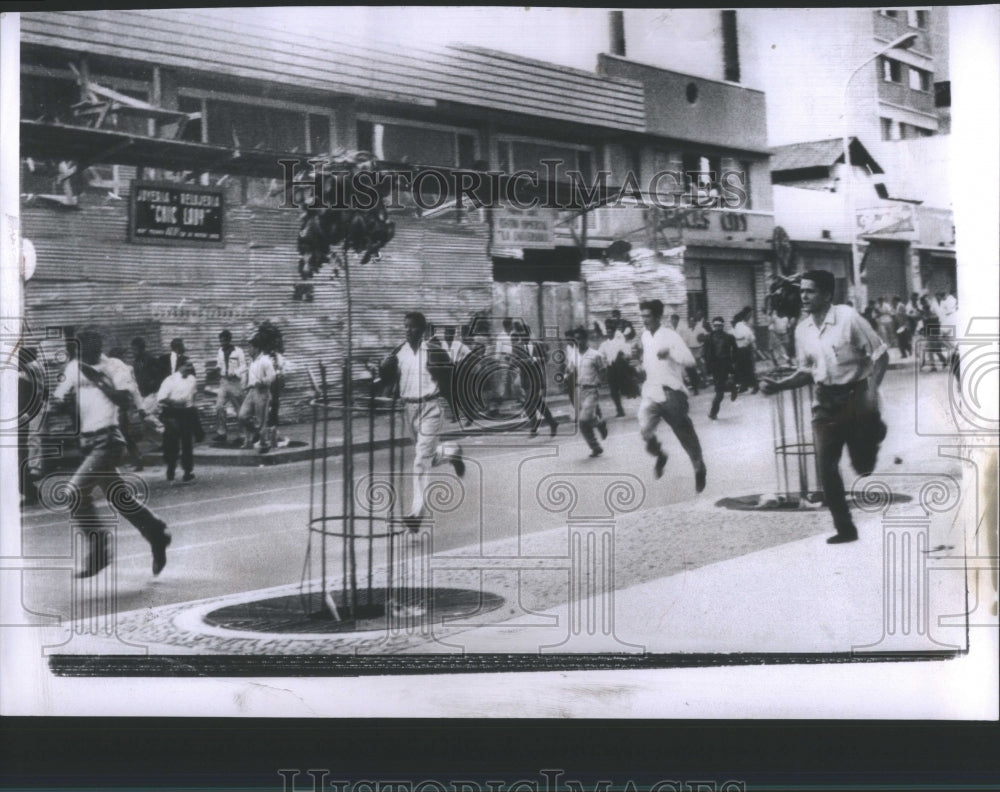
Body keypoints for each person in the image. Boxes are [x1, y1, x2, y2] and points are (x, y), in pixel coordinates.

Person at [760, 270, 888, 545]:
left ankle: (874, 433)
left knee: (863, 465)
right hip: (825, 402)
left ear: (827, 295)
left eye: (810, 291)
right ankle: (845, 528)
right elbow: (806, 371)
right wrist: (779, 385)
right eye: (802, 291)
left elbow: (880, 355)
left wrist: (872, 392)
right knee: (826, 466)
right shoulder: (803, 330)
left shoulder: (848, 319)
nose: (803, 296)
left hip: (856, 395)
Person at [51, 329, 171, 578]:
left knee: (74, 493)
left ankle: (100, 551)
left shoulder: (115, 367)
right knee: (120, 498)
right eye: (82, 347)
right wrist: (59, 405)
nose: (87, 351)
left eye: (93, 346)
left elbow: (124, 400)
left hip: (109, 440)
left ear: (100, 346)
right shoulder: (74, 367)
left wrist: (97, 379)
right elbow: (58, 399)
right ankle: (157, 533)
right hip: (88, 443)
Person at [378, 311, 465, 531]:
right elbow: (387, 377)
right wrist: (382, 373)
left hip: (430, 408)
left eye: (412, 327)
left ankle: (416, 514)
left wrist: (456, 407)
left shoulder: (434, 352)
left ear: (423, 330)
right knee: (428, 457)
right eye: (405, 326)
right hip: (408, 410)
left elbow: (450, 380)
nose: (408, 330)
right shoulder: (399, 352)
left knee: (420, 461)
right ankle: (452, 451)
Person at [637, 299, 707, 491]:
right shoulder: (645, 336)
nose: (645, 320)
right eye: (642, 316)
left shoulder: (670, 335)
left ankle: (698, 466)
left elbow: (690, 361)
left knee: (684, 433)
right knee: (644, 430)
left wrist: (670, 353)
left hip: (672, 392)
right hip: (651, 391)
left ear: (658, 317)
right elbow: (649, 361)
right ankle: (660, 454)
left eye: (648, 316)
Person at [565, 326, 607, 457]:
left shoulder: (595, 355)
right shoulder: (574, 354)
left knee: (583, 420)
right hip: (579, 390)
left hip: (591, 391)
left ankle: (598, 426)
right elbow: (570, 369)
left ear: (585, 339)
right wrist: (566, 375)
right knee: (583, 422)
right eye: (575, 339)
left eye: (580, 338)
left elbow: (603, 371)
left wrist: (599, 381)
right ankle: (596, 445)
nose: (577, 341)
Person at [157, 358, 200, 483]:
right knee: (172, 443)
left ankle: (188, 471)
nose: (190, 368)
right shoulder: (170, 381)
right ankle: (171, 471)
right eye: (187, 366)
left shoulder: (192, 380)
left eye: (191, 366)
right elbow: (161, 399)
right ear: (180, 367)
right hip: (172, 413)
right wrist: (176, 403)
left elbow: (193, 395)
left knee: (187, 443)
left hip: (186, 413)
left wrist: (193, 410)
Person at [106, 346, 146, 471]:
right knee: (124, 433)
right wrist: (140, 407)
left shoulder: (110, 368)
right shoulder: (126, 368)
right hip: (122, 403)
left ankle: (133, 460)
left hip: (115, 404)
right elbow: (134, 389)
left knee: (119, 433)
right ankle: (135, 459)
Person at [515, 324, 558, 437]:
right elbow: (515, 361)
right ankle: (552, 422)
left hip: (536, 377)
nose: (523, 336)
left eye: (525, 334)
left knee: (528, 403)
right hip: (525, 378)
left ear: (529, 334)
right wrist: (524, 362)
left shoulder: (537, 345)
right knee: (538, 403)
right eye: (520, 334)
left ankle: (534, 427)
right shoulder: (517, 347)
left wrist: (535, 359)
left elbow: (546, 358)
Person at [18, 346, 47, 505]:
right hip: (32, 410)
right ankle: (31, 482)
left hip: (29, 412)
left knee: (31, 441)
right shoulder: (33, 368)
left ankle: (34, 472)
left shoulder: (30, 370)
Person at [238, 338, 275, 449]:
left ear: (257, 348)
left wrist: (262, 381)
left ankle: (264, 442)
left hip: (262, 392)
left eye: (250, 347)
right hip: (251, 391)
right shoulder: (251, 361)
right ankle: (252, 437)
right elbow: (247, 373)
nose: (248, 349)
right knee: (242, 416)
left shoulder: (265, 360)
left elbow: (272, 376)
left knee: (261, 420)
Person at [213, 330, 247, 443]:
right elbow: (219, 364)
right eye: (220, 340)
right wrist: (217, 369)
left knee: (239, 409)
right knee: (219, 406)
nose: (222, 343)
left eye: (224, 340)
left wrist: (235, 372)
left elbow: (244, 366)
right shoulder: (220, 351)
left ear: (229, 340)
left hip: (235, 382)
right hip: (224, 382)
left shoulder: (238, 351)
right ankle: (221, 433)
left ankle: (242, 435)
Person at [703, 316, 739, 420]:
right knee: (719, 388)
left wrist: (733, 362)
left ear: (722, 326)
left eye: (719, 326)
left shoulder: (729, 337)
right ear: (713, 326)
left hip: (725, 364)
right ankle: (732, 387)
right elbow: (706, 353)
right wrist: (707, 366)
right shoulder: (708, 337)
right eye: (715, 326)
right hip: (715, 366)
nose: (717, 328)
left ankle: (713, 413)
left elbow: (735, 350)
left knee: (719, 391)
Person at [599, 318, 631, 416]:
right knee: (613, 391)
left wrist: (624, 357)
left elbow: (628, 353)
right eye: (607, 332)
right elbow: (600, 355)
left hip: (620, 368)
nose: (609, 334)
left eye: (610, 332)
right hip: (611, 368)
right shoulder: (604, 344)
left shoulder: (619, 342)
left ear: (614, 332)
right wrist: (603, 364)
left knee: (624, 388)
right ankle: (619, 410)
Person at [441, 326, 471, 426]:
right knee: (447, 394)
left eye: (449, 334)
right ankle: (455, 414)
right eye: (445, 334)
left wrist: (462, 362)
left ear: (453, 335)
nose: (446, 336)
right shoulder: (442, 345)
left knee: (461, 395)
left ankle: (468, 416)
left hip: (457, 371)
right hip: (446, 372)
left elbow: (470, 354)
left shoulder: (459, 345)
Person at [732, 308, 758, 393]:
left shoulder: (740, 326)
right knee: (741, 369)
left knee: (747, 368)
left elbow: (749, 337)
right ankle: (744, 386)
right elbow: (751, 337)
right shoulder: (741, 326)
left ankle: (755, 386)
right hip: (742, 349)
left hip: (743, 350)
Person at [678, 314, 706, 394]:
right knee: (692, 368)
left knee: (701, 366)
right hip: (690, 349)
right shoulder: (687, 331)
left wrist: (703, 348)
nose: (690, 322)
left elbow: (705, 337)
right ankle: (696, 384)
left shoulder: (700, 329)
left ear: (695, 322)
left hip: (699, 348)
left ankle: (704, 381)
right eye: (689, 321)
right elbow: (685, 341)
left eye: (692, 321)